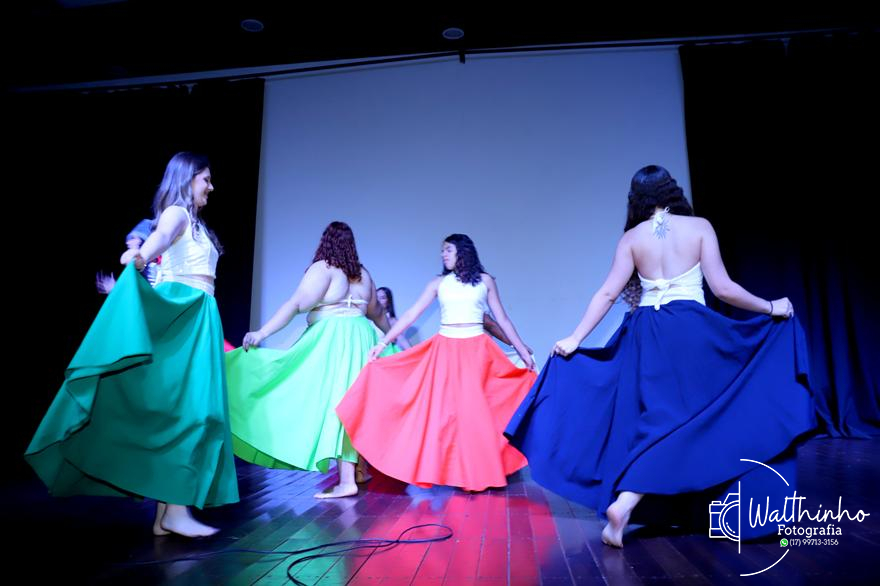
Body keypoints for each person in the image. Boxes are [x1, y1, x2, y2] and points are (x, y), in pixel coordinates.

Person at [505, 165, 815, 547]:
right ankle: (629, 501)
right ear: (672, 191)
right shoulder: (699, 227)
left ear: (635, 199)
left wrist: (574, 338)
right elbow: (723, 288)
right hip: (691, 330)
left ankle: (634, 502)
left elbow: (607, 294)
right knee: (692, 422)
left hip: (646, 334)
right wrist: (770, 307)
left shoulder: (632, 238)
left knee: (658, 420)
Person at [25, 152, 238, 538]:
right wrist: (140, 255)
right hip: (185, 315)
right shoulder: (177, 213)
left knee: (188, 409)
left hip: (199, 315)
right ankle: (176, 511)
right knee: (191, 411)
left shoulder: (194, 223)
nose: (211, 186)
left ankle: (165, 516)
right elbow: (158, 240)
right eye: (205, 179)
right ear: (187, 179)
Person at [337, 234, 536, 492]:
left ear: (463, 251)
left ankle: (479, 472)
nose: (443, 254)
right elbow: (411, 313)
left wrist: (522, 351)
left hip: (477, 351)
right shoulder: (438, 283)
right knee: (450, 415)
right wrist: (383, 342)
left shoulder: (485, 281)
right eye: (443, 251)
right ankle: (459, 473)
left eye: (448, 250)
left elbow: (502, 319)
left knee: (476, 414)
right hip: (446, 351)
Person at [225, 221, 394, 498]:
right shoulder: (363, 275)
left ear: (326, 242)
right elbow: (377, 314)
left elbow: (296, 304)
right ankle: (358, 470)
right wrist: (393, 341)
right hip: (362, 339)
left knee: (335, 403)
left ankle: (347, 481)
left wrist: (262, 332)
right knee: (354, 403)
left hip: (334, 340)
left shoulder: (324, 268)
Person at [95, 219, 159, 293]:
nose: (128, 243)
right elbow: (139, 293)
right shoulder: (140, 271)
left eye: (134, 239)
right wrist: (116, 290)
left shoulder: (162, 258)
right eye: (130, 240)